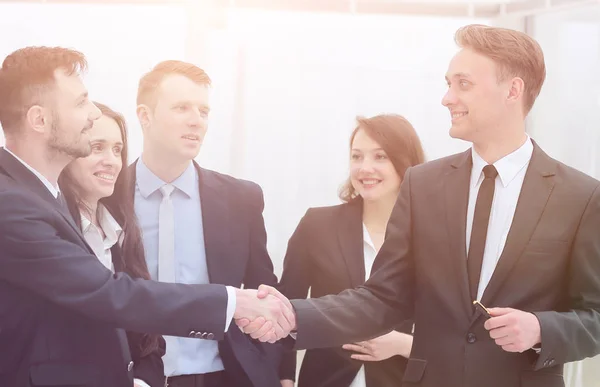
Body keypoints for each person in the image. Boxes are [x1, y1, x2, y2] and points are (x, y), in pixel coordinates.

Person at [240, 24, 600, 387]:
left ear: (513, 89)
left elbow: (595, 316)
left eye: (463, 84)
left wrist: (542, 329)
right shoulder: (423, 185)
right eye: (448, 84)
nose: (447, 98)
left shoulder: (580, 197)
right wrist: (292, 313)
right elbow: (382, 298)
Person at [0, 46, 293, 387]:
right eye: (81, 102)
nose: (94, 113)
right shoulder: (12, 205)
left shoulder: (42, 196)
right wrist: (233, 301)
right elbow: (109, 294)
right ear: (39, 120)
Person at [129, 60, 286, 387]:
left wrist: (270, 371)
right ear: (145, 116)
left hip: (221, 376)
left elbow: (263, 292)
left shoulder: (240, 198)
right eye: (181, 108)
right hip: (131, 375)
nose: (195, 121)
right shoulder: (109, 195)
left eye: (203, 111)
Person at [278, 114, 423, 387]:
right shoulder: (317, 225)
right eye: (357, 157)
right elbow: (285, 306)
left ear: (405, 162)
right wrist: (284, 378)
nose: (364, 168)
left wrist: (404, 344)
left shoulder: (432, 233)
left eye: (380, 157)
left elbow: (456, 328)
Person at [58, 102, 166, 387]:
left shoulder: (123, 232)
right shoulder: (52, 234)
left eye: (117, 150)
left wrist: (142, 382)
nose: (112, 160)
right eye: (97, 148)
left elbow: (149, 338)